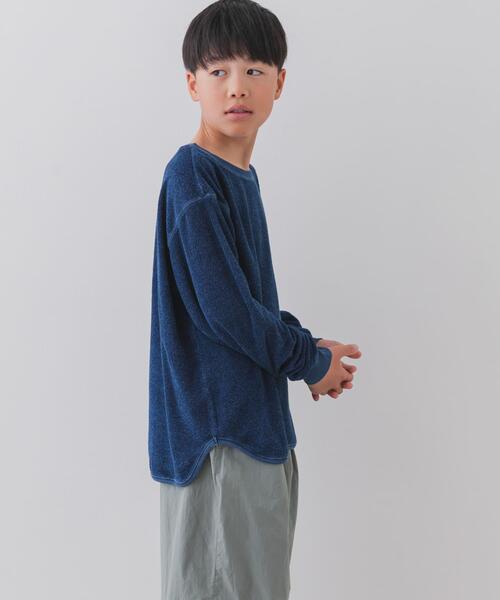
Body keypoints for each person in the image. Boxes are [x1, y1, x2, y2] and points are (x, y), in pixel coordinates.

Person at [148, 1, 362, 598]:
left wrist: (310, 348)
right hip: (221, 438)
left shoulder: (236, 176)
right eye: (218, 71)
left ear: (279, 82)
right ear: (192, 84)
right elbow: (227, 313)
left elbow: (244, 301)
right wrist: (308, 360)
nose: (236, 86)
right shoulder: (193, 176)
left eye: (254, 70)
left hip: (251, 429)